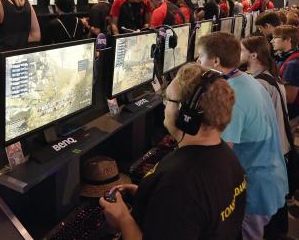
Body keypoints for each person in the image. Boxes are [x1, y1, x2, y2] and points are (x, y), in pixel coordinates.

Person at [100, 64, 246, 240]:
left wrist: (122, 219)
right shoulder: (226, 156)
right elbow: (197, 213)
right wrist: (149, 194)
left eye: (168, 99)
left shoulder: (179, 184)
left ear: (187, 116)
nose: (164, 105)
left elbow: (184, 200)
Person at [197, 32, 288, 240]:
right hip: (269, 178)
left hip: (255, 189)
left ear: (216, 61)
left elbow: (219, 153)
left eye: (201, 57)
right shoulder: (247, 79)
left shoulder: (233, 95)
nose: (198, 62)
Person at [240, 36, 292, 239]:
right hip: (280, 149)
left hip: (270, 151)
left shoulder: (259, 84)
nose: (239, 55)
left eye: (242, 51)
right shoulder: (270, 76)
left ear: (253, 55)